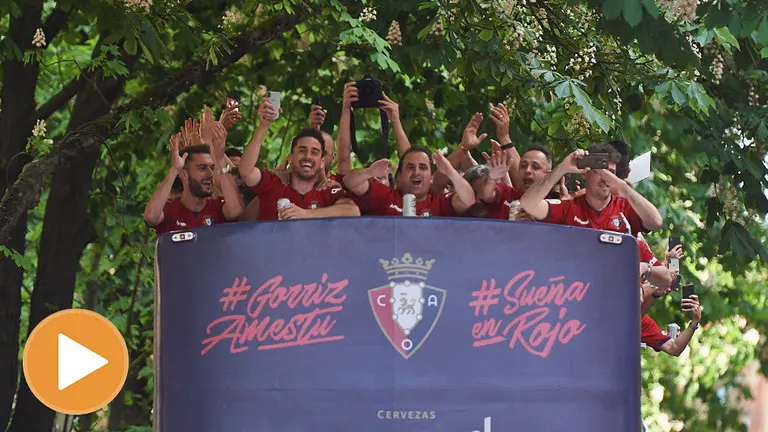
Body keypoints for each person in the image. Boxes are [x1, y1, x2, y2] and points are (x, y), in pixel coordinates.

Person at [237, 98, 360, 220]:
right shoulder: (274, 182)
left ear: (322, 161)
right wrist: (264, 126)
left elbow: (353, 210)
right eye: (302, 150)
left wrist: (306, 214)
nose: (308, 156)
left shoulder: (327, 189)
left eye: (315, 152)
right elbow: (246, 170)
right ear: (290, 157)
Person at [519, 143, 663, 236]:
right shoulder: (569, 208)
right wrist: (562, 168)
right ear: (584, 173)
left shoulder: (624, 209)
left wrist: (622, 186)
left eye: (611, 173)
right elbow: (528, 203)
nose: (605, 178)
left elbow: (655, 222)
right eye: (599, 171)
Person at [143, 110, 243, 234]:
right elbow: (150, 217)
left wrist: (218, 156)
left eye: (211, 168)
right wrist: (175, 169)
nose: (210, 174)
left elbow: (235, 211)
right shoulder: (171, 211)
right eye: (202, 168)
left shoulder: (217, 207)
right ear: (184, 174)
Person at [342, 146, 475, 216]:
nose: (416, 172)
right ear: (398, 178)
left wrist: (450, 172)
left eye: (423, 167)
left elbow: (468, 200)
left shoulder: (440, 203)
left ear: (431, 179)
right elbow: (349, 181)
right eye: (410, 167)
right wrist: (369, 172)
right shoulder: (385, 197)